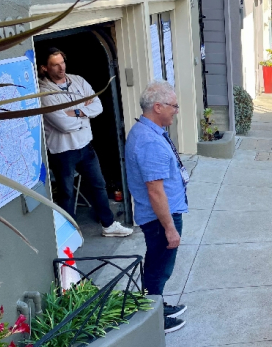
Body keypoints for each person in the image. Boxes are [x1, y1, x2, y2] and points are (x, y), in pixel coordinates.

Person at [39, 47, 133, 238]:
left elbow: (97, 106)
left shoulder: (78, 81)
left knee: (99, 185)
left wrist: (75, 111)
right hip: (63, 151)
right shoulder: (43, 93)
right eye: (55, 65)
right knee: (66, 194)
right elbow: (63, 124)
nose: (61, 68)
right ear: (44, 68)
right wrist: (83, 110)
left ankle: (108, 225)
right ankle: (69, 234)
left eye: (62, 62)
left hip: (86, 146)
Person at [125, 80, 188, 333]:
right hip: (160, 219)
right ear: (158, 107)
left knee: (158, 265)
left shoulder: (148, 132)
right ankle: (154, 320)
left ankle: (157, 306)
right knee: (158, 269)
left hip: (161, 216)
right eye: (174, 106)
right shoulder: (149, 141)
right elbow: (155, 191)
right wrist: (170, 229)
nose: (176, 110)